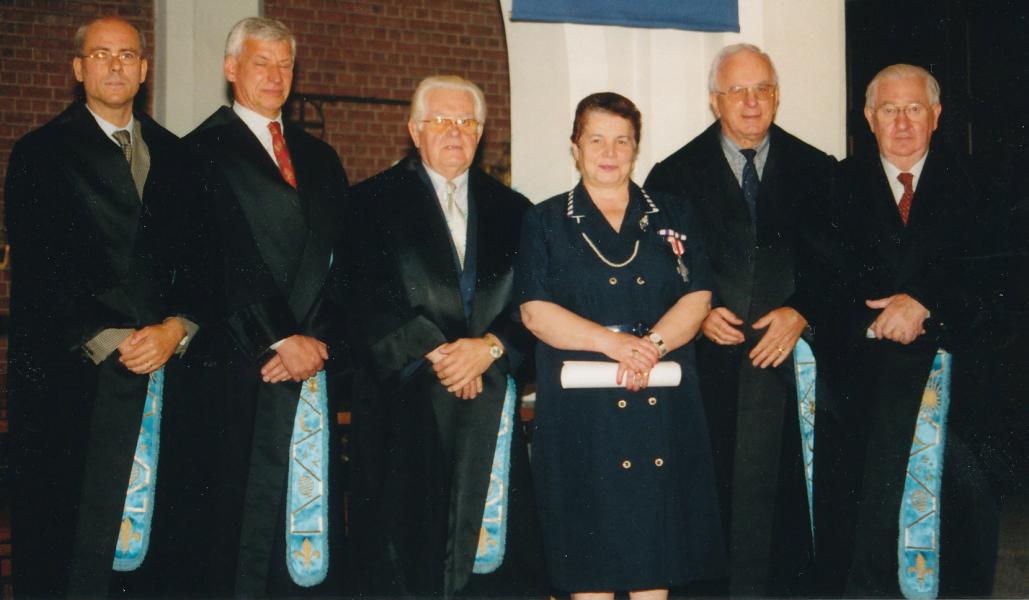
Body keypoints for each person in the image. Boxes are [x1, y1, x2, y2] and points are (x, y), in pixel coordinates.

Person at [4, 16, 196, 598]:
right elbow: (43, 269)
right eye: (101, 54)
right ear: (78, 69)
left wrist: (176, 329)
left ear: (144, 70)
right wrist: (115, 340)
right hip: (79, 377)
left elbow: (200, 261)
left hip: (168, 365)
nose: (115, 65)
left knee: (156, 555)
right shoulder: (41, 152)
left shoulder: (176, 154)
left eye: (127, 55)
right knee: (76, 553)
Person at [516, 92, 726, 600]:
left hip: (661, 403)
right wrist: (614, 346)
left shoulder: (674, 213)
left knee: (656, 560)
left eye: (622, 141)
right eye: (596, 140)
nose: (609, 152)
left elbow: (698, 296)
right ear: (575, 147)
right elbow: (534, 312)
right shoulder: (545, 220)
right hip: (582, 416)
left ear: (636, 147)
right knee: (589, 566)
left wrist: (650, 345)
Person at [342, 75, 545, 598]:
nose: (454, 132)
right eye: (440, 121)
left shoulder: (516, 211)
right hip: (405, 403)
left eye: (466, 122)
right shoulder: (368, 202)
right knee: (408, 557)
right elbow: (360, 297)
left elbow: (536, 302)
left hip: (492, 396)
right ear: (414, 130)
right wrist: (440, 353)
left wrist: (490, 349)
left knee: (490, 565)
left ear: (480, 132)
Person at [644, 43, 835, 596]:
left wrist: (803, 312)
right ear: (714, 101)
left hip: (791, 366)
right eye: (737, 91)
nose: (751, 103)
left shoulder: (818, 169)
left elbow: (840, 266)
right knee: (711, 508)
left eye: (763, 89)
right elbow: (657, 271)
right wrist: (696, 314)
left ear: (776, 96)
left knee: (789, 524)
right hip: (710, 370)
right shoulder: (673, 175)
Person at [176, 17, 349, 598]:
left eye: (285, 65)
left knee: (303, 537)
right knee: (239, 533)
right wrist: (280, 337)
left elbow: (338, 261)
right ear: (231, 69)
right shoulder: (197, 151)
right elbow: (215, 261)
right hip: (242, 364)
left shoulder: (320, 157)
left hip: (312, 365)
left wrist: (318, 342)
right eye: (260, 63)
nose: (276, 76)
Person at [815, 63, 1000, 597]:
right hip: (863, 387)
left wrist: (927, 305)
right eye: (889, 109)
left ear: (936, 116)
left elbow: (1001, 278)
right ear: (868, 118)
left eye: (914, 108)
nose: (902, 122)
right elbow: (818, 281)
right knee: (866, 535)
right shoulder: (834, 184)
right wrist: (873, 324)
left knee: (960, 535)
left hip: (956, 390)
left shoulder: (982, 184)